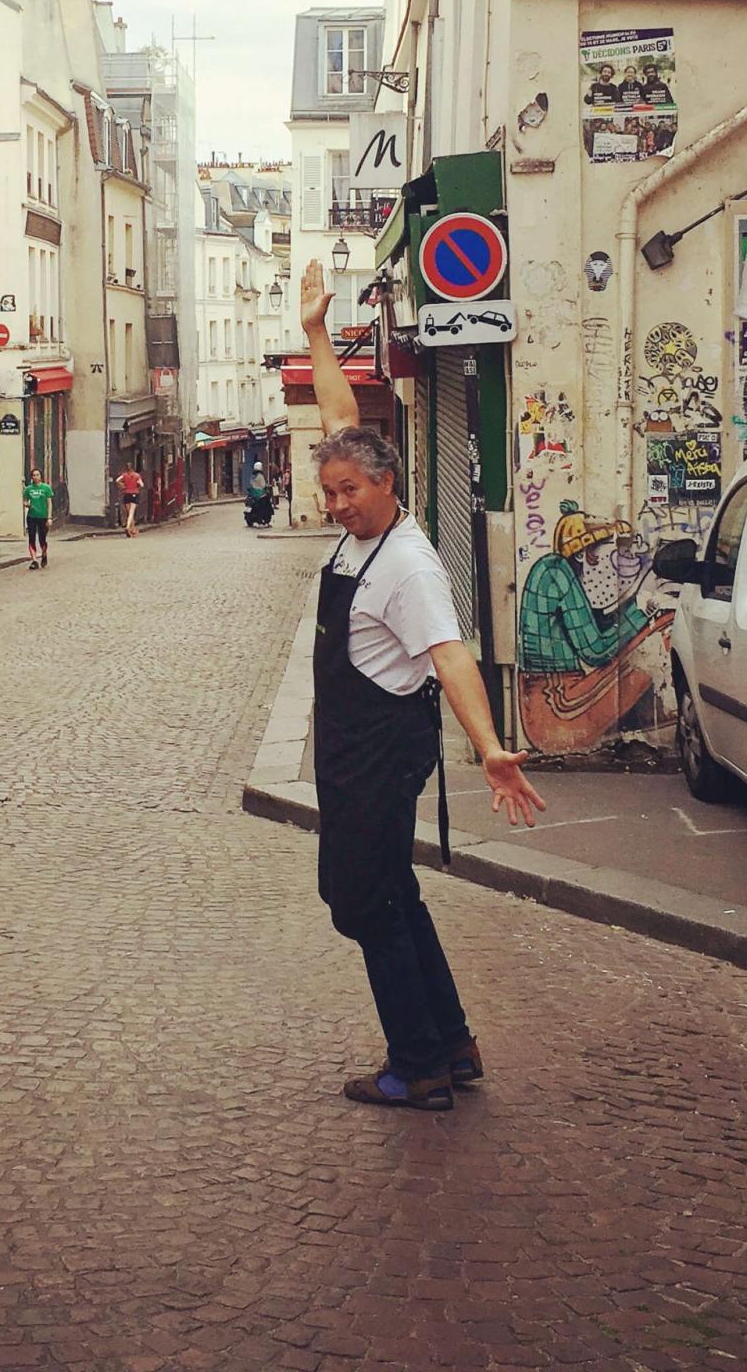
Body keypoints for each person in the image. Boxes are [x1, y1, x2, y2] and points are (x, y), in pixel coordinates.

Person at [297, 259, 545, 1112]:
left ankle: (418, 1065)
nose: (337, 504)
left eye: (350, 491)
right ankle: (452, 1043)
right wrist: (317, 333)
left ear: (388, 487)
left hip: (378, 758)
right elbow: (338, 415)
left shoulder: (408, 563)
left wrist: (489, 750)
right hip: (355, 757)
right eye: (329, 491)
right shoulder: (362, 522)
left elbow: (450, 656)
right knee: (389, 893)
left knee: (363, 903)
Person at [22, 468, 54, 569]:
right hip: (32, 516)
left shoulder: (46, 488)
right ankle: (34, 560)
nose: (35, 477)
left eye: (37, 475)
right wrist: (27, 504)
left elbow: (49, 503)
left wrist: (49, 517)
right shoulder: (28, 489)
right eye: (34, 475)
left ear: (41, 476)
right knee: (31, 537)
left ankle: (44, 554)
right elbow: (25, 501)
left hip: (43, 516)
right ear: (31, 477)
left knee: (42, 538)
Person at [116, 463, 144, 537]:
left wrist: (122, 485)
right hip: (134, 494)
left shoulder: (124, 475)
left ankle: (133, 529)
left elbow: (117, 480)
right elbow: (142, 485)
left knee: (129, 513)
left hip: (126, 494)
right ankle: (128, 527)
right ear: (133, 468)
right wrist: (137, 487)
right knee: (131, 513)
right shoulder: (137, 475)